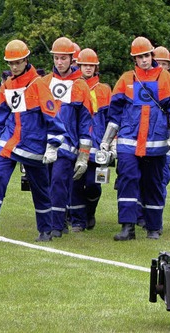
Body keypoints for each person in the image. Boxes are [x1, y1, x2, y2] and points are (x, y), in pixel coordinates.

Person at [0, 39, 66, 243]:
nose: (13, 67)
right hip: (9, 144)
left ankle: (46, 230)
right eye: (10, 63)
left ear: (26, 59)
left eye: (17, 62)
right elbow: (0, 116)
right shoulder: (7, 85)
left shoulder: (39, 85)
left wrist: (53, 144)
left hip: (33, 146)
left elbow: (52, 115)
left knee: (40, 190)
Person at [101, 36, 170, 241]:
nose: (144, 60)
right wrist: (107, 141)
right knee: (127, 181)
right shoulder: (126, 79)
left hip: (156, 145)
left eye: (146, 55)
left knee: (154, 184)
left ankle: (153, 227)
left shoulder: (165, 78)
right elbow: (114, 114)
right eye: (139, 57)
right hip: (129, 143)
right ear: (134, 59)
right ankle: (127, 227)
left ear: (151, 55)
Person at [42, 37, 93, 235]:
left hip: (67, 146)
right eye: (56, 58)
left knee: (58, 182)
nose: (59, 62)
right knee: (46, 184)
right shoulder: (45, 82)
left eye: (63, 58)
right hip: (46, 145)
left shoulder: (81, 86)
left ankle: (56, 226)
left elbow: (85, 124)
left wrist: (83, 155)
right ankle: (58, 221)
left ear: (72, 59)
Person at [71, 48, 112, 231]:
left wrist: (110, 143)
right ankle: (78, 221)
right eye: (84, 65)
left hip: (97, 148)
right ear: (78, 66)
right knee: (76, 184)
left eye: (91, 65)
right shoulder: (72, 87)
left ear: (96, 68)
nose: (88, 68)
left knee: (94, 185)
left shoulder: (104, 90)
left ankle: (90, 212)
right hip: (76, 145)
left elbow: (112, 119)